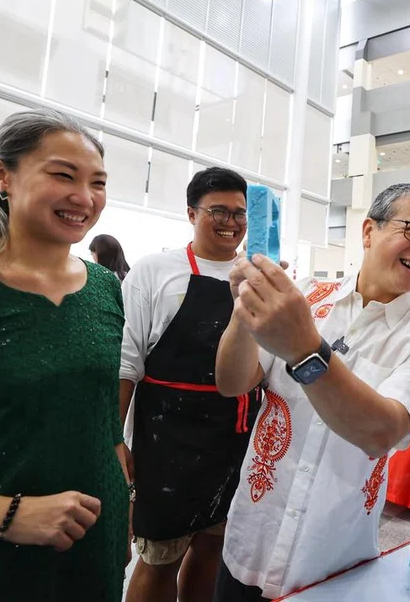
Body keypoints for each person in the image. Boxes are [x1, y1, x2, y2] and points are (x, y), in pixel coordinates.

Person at [0, 110, 129, 600]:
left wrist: (121, 513)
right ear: (2, 176)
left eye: (97, 182)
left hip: (88, 559)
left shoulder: (102, 289)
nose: (85, 197)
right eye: (63, 175)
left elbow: (101, 424)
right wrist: (9, 515)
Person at [212, 183, 410, 600]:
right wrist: (242, 311)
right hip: (253, 535)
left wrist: (306, 349)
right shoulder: (304, 295)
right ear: (368, 232)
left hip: (333, 557)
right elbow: (232, 382)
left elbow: (381, 434)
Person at [121, 168, 263, 602]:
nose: (231, 221)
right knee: (159, 557)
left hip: (234, 436)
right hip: (167, 439)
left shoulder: (258, 276)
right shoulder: (155, 271)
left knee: (213, 547)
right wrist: (113, 440)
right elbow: (126, 363)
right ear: (191, 213)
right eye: (218, 210)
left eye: (239, 213)